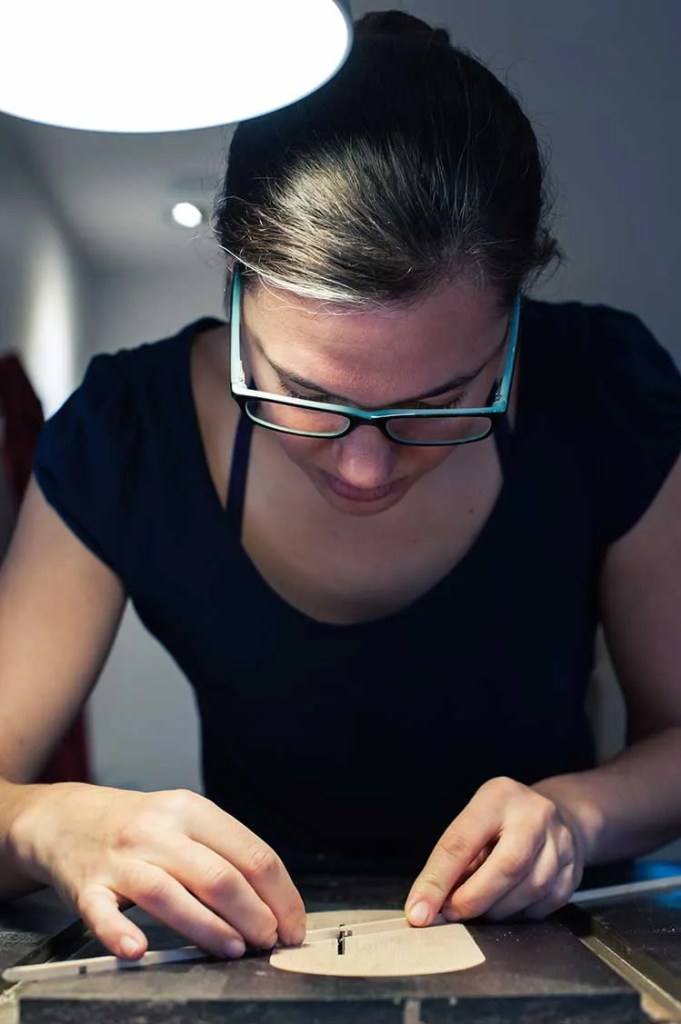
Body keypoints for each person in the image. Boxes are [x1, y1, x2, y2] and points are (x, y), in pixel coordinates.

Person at [1, 9, 680, 964]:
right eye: (303, 397)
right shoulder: (127, 433)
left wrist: (579, 814)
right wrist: (47, 825)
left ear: (515, 322)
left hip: (554, 942)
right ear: (234, 293)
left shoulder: (606, 393)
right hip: (249, 954)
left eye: (442, 402)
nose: (363, 468)